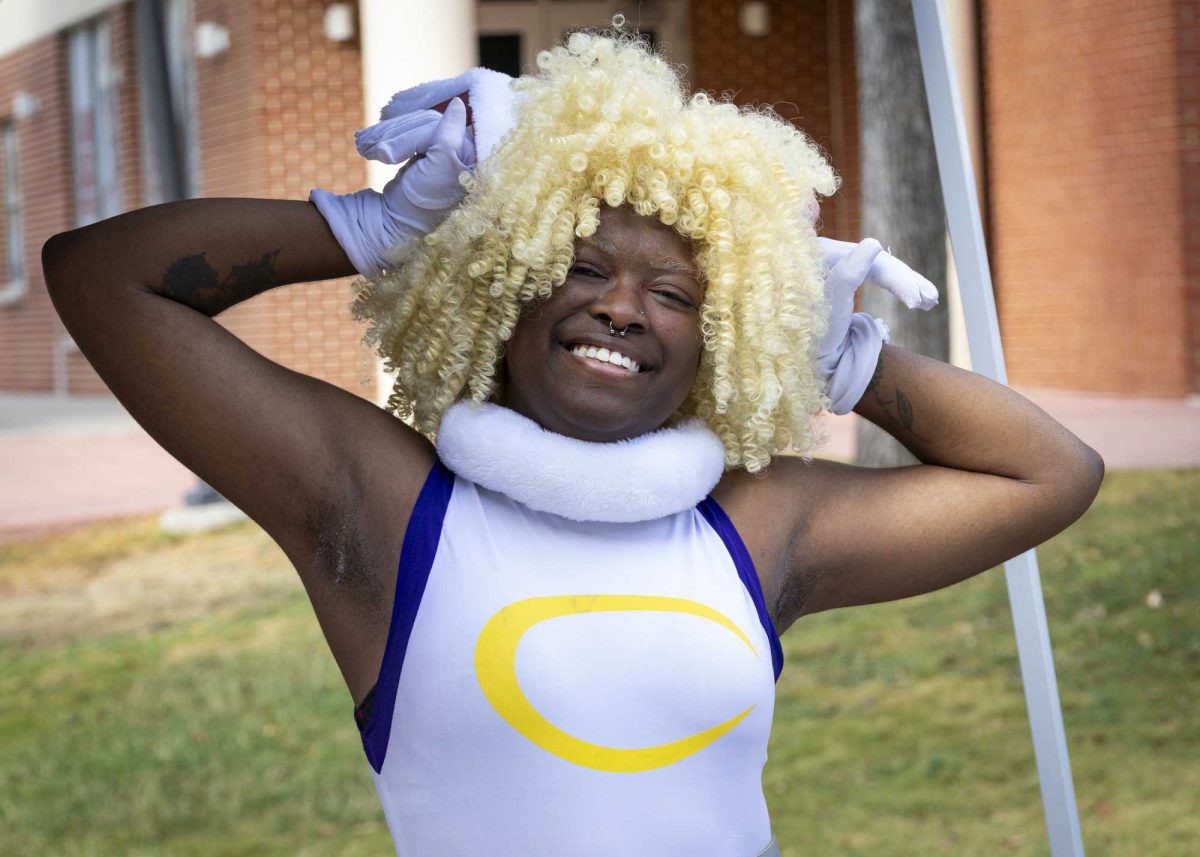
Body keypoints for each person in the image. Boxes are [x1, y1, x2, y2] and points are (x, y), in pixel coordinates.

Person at [42, 31, 1103, 857]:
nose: (622, 307)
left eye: (674, 293)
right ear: (500, 288)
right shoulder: (386, 509)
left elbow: (1053, 472)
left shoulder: (757, 524)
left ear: (717, 339)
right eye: (583, 267)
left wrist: (843, 363)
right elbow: (99, 278)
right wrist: (370, 228)